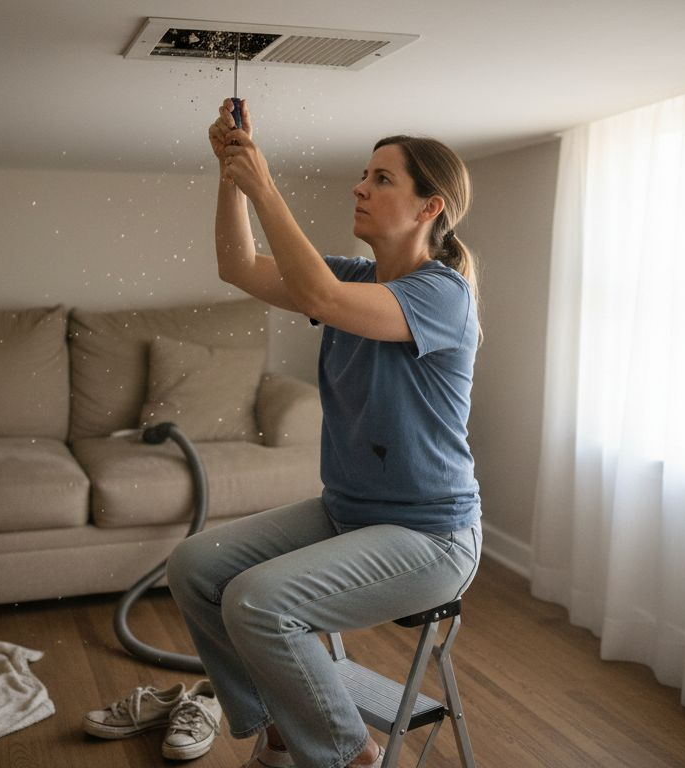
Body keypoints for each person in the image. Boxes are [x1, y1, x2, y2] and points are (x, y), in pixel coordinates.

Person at [165, 98, 483, 768]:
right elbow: (239, 266)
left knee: (256, 602)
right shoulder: (353, 275)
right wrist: (232, 173)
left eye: (382, 179)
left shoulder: (442, 295)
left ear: (430, 208)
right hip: (349, 514)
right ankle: (280, 724)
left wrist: (265, 184)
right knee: (195, 567)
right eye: (364, 174)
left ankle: (349, 755)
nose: (360, 187)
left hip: (430, 537)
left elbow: (320, 300)